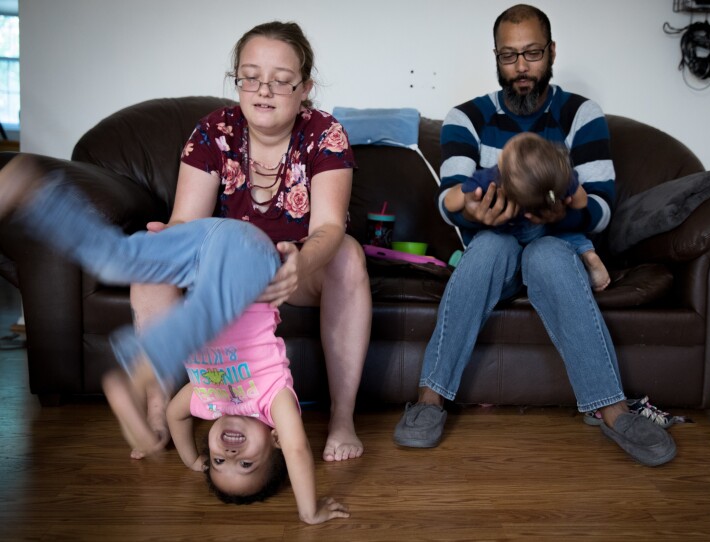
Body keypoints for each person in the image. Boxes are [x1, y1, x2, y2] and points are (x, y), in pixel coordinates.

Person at [393, 4, 676, 466]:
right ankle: (429, 400)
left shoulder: (581, 115)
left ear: (552, 52)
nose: (522, 68)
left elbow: (601, 209)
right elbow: (447, 201)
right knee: (487, 249)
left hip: (556, 245)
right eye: (509, 56)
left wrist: (559, 209)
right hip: (495, 244)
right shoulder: (466, 118)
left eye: (532, 54)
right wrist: (475, 208)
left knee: (546, 255)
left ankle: (613, 410)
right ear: (495, 57)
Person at [0, 155, 350, 523]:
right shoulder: (272, 400)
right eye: (245, 464)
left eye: (218, 461)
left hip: (200, 243)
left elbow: (175, 415)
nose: (229, 456)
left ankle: (36, 194)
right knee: (204, 316)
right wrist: (309, 511)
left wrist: (191, 459)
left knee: (117, 260)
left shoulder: (208, 402)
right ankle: (135, 376)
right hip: (252, 255)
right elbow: (297, 448)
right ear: (274, 440)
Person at [130, 21, 369, 462]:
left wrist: (302, 260)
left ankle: (342, 420)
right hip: (222, 278)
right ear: (236, 81)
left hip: (292, 272)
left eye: (280, 81)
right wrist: (169, 237)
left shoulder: (325, 132)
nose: (264, 90)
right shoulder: (212, 131)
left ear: (304, 89)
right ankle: (159, 414)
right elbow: (187, 220)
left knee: (349, 255)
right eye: (250, 77)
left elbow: (331, 227)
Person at [443, 131, 610, 291]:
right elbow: (582, 202)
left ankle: (471, 262)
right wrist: (564, 187)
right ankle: (588, 253)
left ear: (501, 165)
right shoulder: (557, 177)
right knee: (567, 234)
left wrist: (464, 193)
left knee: (487, 239)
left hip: (508, 235)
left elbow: (450, 204)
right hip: (547, 233)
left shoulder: (491, 177)